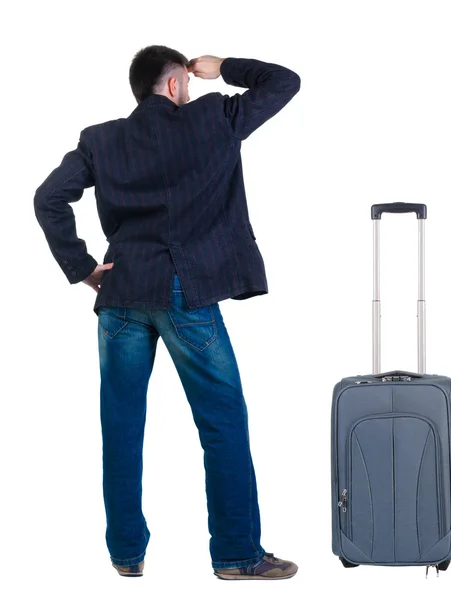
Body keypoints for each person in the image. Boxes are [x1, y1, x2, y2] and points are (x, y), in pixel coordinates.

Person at [33, 45, 301, 580]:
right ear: (177, 84)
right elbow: (283, 81)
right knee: (222, 422)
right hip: (185, 293)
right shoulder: (214, 117)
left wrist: (83, 266)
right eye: (189, 82)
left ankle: (127, 554)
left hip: (121, 294)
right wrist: (222, 67)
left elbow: (48, 198)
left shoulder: (100, 139)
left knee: (122, 425)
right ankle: (237, 555)